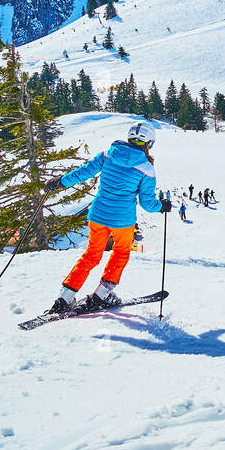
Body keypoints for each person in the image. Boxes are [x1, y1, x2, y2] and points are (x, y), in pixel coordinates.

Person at [44, 122, 170, 314]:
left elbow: (83, 173)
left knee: (91, 255)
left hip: (98, 216)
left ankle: (65, 297)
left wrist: (59, 182)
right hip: (123, 221)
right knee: (120, 253)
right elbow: (147, 203)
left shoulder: (108, 154)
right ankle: (101, 295)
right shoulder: (146, 168)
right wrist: (162, 206)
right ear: (149, 143)